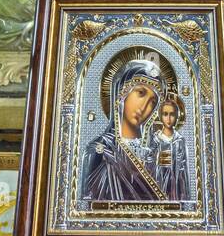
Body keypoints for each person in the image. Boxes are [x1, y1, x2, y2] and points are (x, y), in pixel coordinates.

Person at [79, 59, 167, 203]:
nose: (144, 107)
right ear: (122, 93)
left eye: (152, 102)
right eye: (140, 93)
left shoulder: (155, 152)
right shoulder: (100, 151)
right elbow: (88, 204)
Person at [148, 92, 192, 202]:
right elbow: (149, 163)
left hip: (175, 182)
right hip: (159, 180)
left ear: (177, 116)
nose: (168, 118)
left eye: (172, 114)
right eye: (165, 114)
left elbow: (183, 167)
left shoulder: (179, 140)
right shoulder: (155, 139)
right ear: (160, 116)